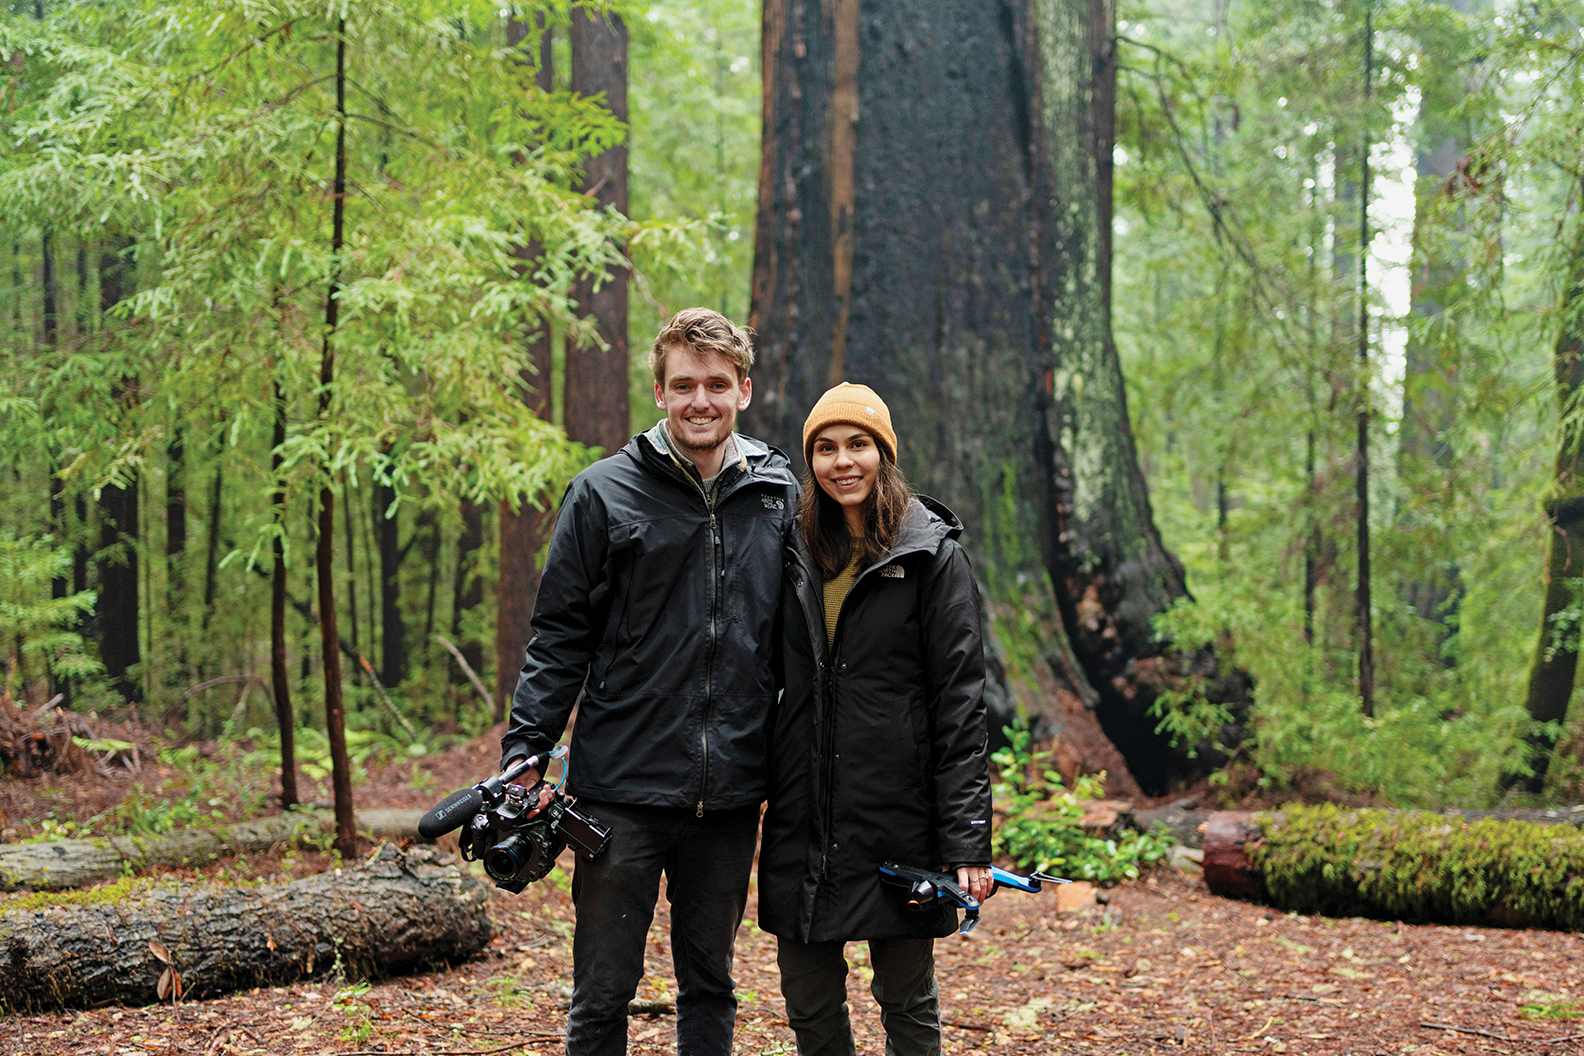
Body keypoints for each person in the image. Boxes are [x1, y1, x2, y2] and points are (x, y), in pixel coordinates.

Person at [500, 307, 798, 1056]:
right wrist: (526, 751)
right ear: (660, 392)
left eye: (718, 385)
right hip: (619, 790)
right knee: (603, 992)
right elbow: (559, 635)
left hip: (730, 793)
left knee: (712, 983)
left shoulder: (777, 493)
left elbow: (800, 639)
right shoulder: (603, 493)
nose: (702, 400)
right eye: (685, 385)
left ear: (743, 391)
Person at [759, 382, 994, 1056]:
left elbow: (960, 705)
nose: (842, 462)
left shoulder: (931, 555)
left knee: (906, 1000)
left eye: (857, 445)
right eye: (826, 449)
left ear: (883, 453)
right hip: (805, 816)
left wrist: (967, 841)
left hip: (900, 818)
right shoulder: (793, 550)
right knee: (808, 999)